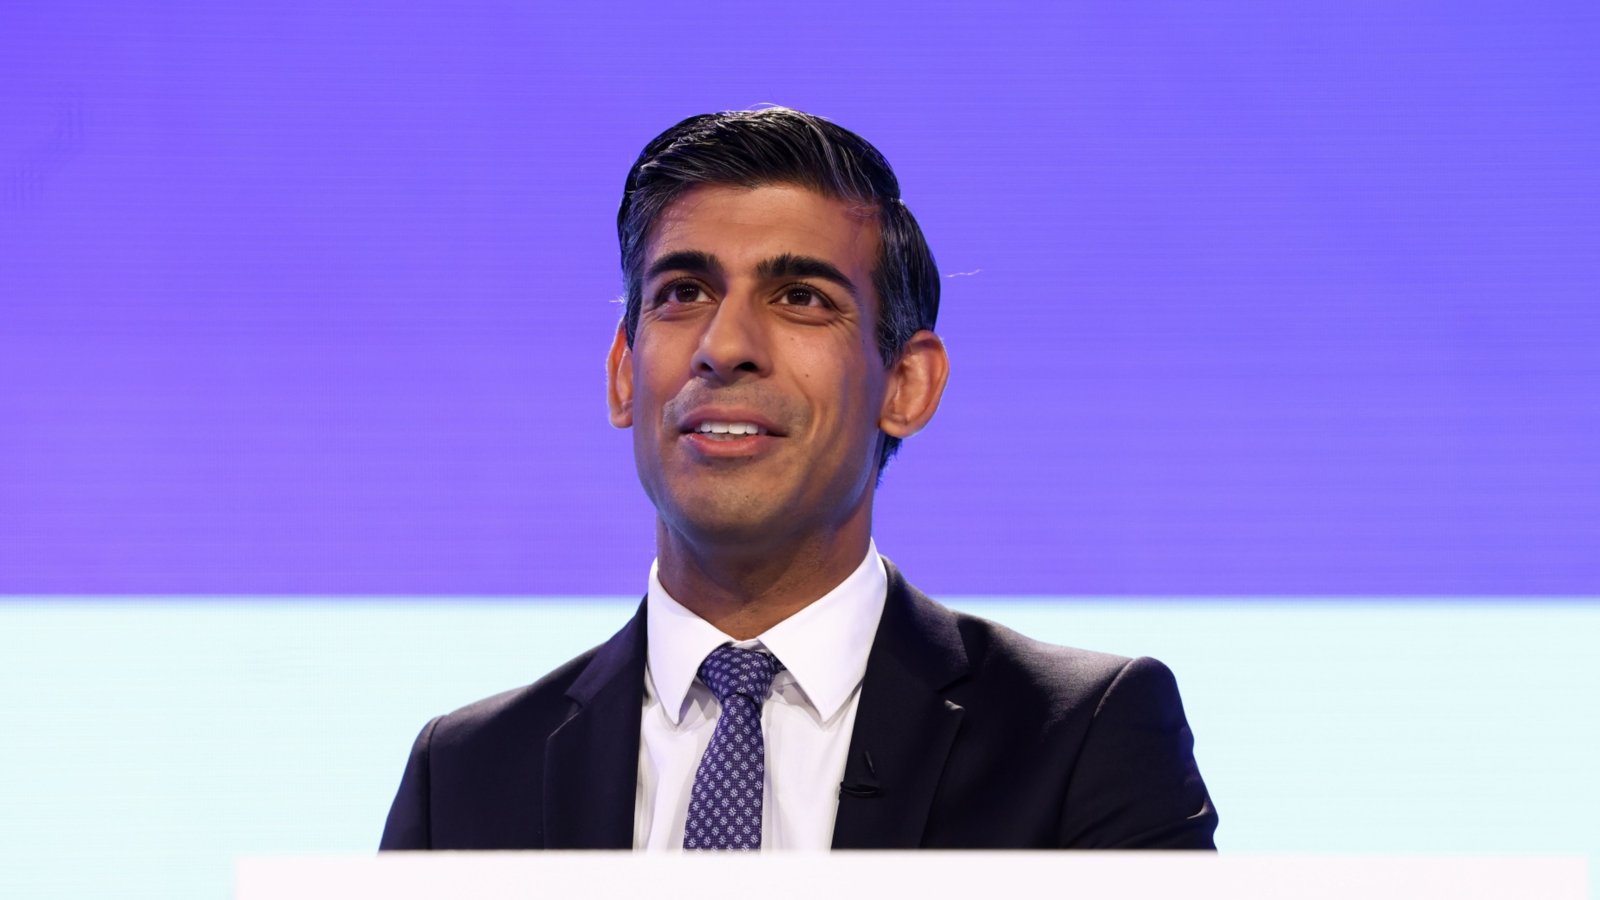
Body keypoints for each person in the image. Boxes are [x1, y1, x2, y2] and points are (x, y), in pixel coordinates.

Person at [379, 107, 1218, 851]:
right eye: (683, 292)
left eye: (801, 298)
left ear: (907, 384)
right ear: (624, 375)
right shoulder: (464, 777)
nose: (725, 345)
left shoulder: (1079, 739)